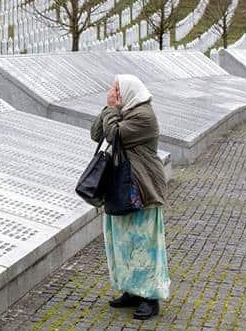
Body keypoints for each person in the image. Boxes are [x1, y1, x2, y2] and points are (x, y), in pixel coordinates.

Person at [90, 74, 170, 320]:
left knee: (144, 244)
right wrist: (109, 108)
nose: (114, 93)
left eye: (117, 89)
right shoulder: (124, 111)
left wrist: (112, 110)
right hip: (121, 187)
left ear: (129, 91)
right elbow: (96, 133)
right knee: (123, 243)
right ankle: (132, 290)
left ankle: (150, 297)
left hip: (141, 189)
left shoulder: (143, 116)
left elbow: (114, 135)